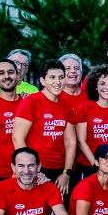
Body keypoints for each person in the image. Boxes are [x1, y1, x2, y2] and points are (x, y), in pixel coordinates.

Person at [12, 60, 75, 195]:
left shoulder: (67, 105)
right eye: (52, 77)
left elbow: (71, 142)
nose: (57, 82)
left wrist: (66, 173)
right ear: (42, 80)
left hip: (59, 170)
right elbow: (18, 138)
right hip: (36, 169)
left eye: (61, 77)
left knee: (57, 213)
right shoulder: (31, 102)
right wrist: (32, 170)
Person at [72, 66, 108, 184]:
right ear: (95, 86)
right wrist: (96, 164)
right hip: (89, 165)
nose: (107, 87)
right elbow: (81, 141)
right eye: (102, 83)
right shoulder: (85, 108)